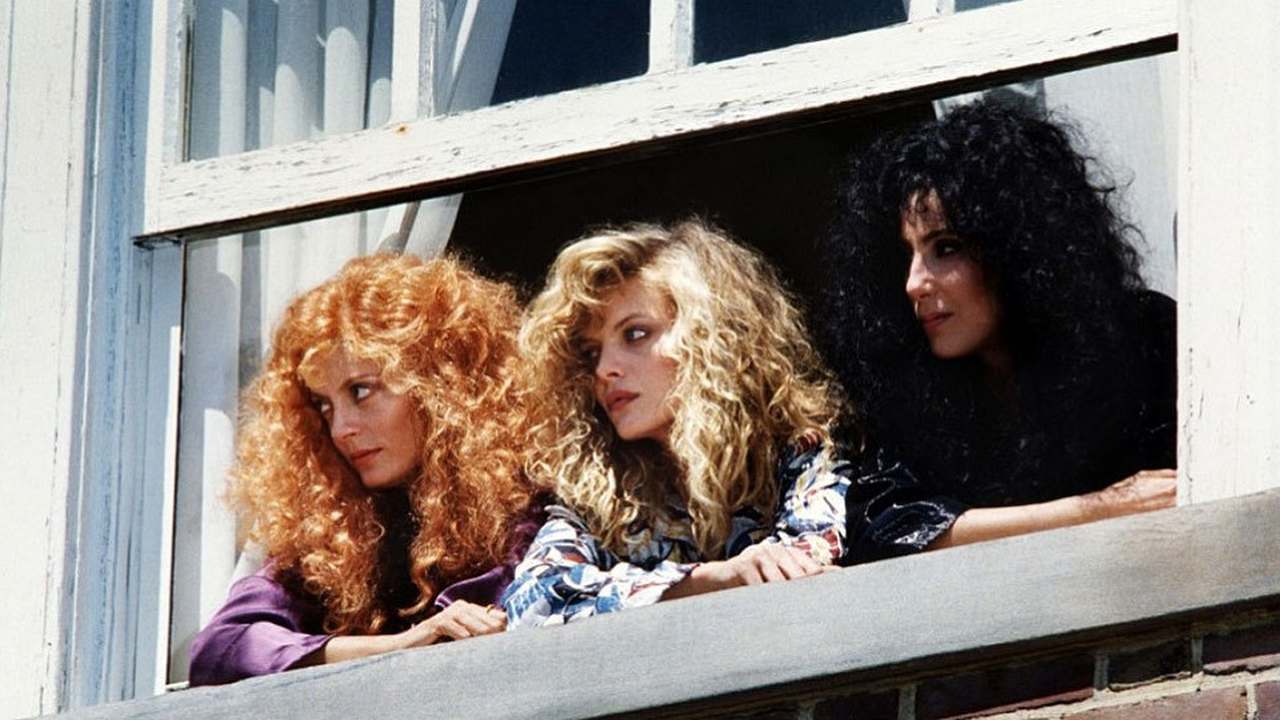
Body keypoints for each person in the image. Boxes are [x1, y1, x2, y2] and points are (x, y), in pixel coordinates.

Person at [822, 100, 1177, 565]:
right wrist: (1096, 510)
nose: (914, 283)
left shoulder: (1142, 337)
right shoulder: (918, 394)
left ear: (1015, 244)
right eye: (906, 256)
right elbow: (885, 528)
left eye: (945, 248)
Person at [188, 254, 542, 685]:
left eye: (360, 391)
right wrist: (396, 647)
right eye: (324, 405)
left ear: (441, 385)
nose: (341, 429)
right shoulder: (338, 533)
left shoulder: (528, 503)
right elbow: (222, 648)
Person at [502, 221, 852, 628]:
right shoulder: (602, 495)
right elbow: (533, 601)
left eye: (635, 334)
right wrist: (707, 581)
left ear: (711, 336)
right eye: (592, 352)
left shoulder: (805, 450)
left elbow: (808, 560)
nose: (604, 369)